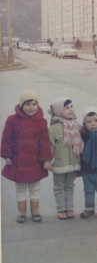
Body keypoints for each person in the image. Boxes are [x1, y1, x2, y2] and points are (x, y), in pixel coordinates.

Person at [1, 90, 53, 223]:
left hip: (34, 161)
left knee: (35, 186)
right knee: (20, 187)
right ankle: (21, 211)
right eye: (28, 104)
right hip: (19, 161)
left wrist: (46, 159)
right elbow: (6, 138)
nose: (31, 107)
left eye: (34, 104)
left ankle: (35, 210)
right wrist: (7, 155)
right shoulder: (12, 119)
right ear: (21, 105)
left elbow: (45, 141)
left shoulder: (41, 121)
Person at [48, 97, 84, 220]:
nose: (70, 110)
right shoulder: (53, 129)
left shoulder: (77, 125)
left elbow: (86, 135)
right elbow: (50, 145)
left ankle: (70, 208)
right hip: (59, 164)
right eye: (66, 108)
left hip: (73, 163)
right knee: (58, 187)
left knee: (70, 186)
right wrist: (48, 161)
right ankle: (61, 209)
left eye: (71, 107)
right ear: (58, 111)